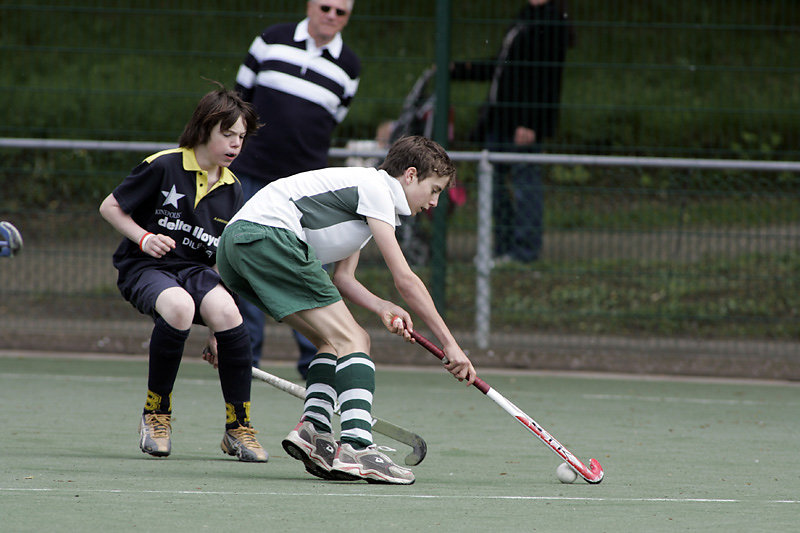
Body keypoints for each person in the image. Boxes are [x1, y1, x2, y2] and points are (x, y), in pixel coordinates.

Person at [214, 136, 477, 484]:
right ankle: (358, 449)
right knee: (355, 338)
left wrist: (382, 305)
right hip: (269, 237)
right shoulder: (377, 189)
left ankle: (314, 432)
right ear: (410, 175)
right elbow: (406, 280)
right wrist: (451, 345)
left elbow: (344, 278)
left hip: (238, 247)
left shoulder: (366, 196)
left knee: (331, 341)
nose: (434, 202)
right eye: (435, 189)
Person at [98, 85, 268, 462]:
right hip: (145, 266)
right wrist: (143, 238)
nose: (236, 144)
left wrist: (216, 333)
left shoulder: (233, 188)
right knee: (178, 308)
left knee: (229, 314)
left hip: (195, 270)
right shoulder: (163, 164)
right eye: (228, 134)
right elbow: (110, 206)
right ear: (206, 128)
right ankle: (156, 414)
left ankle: (238, 428)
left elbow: (219, 260)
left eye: (241, 137)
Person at [231, 0, 361, 377]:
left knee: (308, 268)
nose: (331, 17)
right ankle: (243, 357)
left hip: (306, 189)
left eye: (341, 12)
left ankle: (319, 361)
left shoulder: (349, 66)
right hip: (252, 174)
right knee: (249, 261)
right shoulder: (271, 40)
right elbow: (239, 102)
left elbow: (334, 116)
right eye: (326, 7)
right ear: (310, 5)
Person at [450, 0, 574, 263]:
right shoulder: (525, 18)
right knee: (494, 184)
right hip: (502, 119)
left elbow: (546, 79)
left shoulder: (552, 22)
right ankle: (502, 246)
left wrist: (531, 123)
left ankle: (524, 252)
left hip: (523, 124)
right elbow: (503, 67)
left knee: (523, 184)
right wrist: (463, 70)